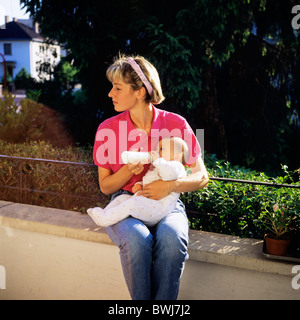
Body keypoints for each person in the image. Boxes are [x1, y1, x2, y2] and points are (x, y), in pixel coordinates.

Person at [93, 54, 209, 300]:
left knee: (172, 239)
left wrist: (170, 186)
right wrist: (127, 171)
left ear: (139, 92)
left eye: (117, 88)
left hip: (169, 204)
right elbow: (105, 186)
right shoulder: (106, 129)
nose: (110, 94)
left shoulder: (177, 123)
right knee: (137, 241)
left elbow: (202, 177)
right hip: (125, 202)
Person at [88, 137, 188, 227]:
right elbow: (148, 180)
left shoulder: (177, 167)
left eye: (161, 149)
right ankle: (105, 213)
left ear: (177, 156)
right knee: (122, 198)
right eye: (157, 149)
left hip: (158, 209)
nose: (156, 152)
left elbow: (169, 175)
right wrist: (139, 185)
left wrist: (157, 161)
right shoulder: (156, 168)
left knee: (131, 204)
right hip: (147, 204)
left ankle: (105, 220)